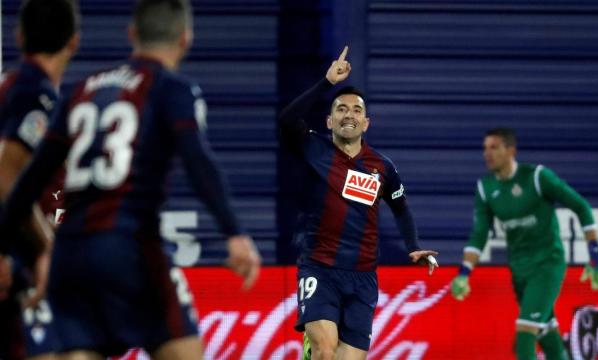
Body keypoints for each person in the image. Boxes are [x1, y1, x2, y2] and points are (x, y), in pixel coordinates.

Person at [0, 0, 261, 359]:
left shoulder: (81, 90)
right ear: (185, 39)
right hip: (130, 246)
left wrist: (2, 246)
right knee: (184, 349)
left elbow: (28, 180)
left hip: (69, 254)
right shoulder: (171, 88)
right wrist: (234, 232)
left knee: (80, 351)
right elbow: (198, 161)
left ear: (131, 34)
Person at [279, 46, 438, 360]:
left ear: (366, 123)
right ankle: (315, 348)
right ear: (328, 121)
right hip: (319, 268)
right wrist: (327, 83)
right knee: (326, 351)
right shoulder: (314, 149)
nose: (348, 114)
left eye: (355, 110)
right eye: (340, 109)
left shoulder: (383, 167)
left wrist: (413, 246)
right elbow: (286, 120)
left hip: (363, 277)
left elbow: (401, 209)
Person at [450, 127, 598, 360]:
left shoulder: (536, 177)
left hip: (547, 265)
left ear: (511, 150)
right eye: (485, 148)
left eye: (494, 147)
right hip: (519, 270)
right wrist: (464, 273)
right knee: (548, 336)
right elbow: (479, 235)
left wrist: (595, 255)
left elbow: (581, 207)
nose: (487, 153)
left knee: (524, 337)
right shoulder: (485, 188)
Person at [0, 0, 79, 358]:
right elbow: (6, 179)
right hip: (15, 261)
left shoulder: (12, 88)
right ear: (73, 42)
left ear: (18, 36)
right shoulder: (35, 94)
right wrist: (46, 249)